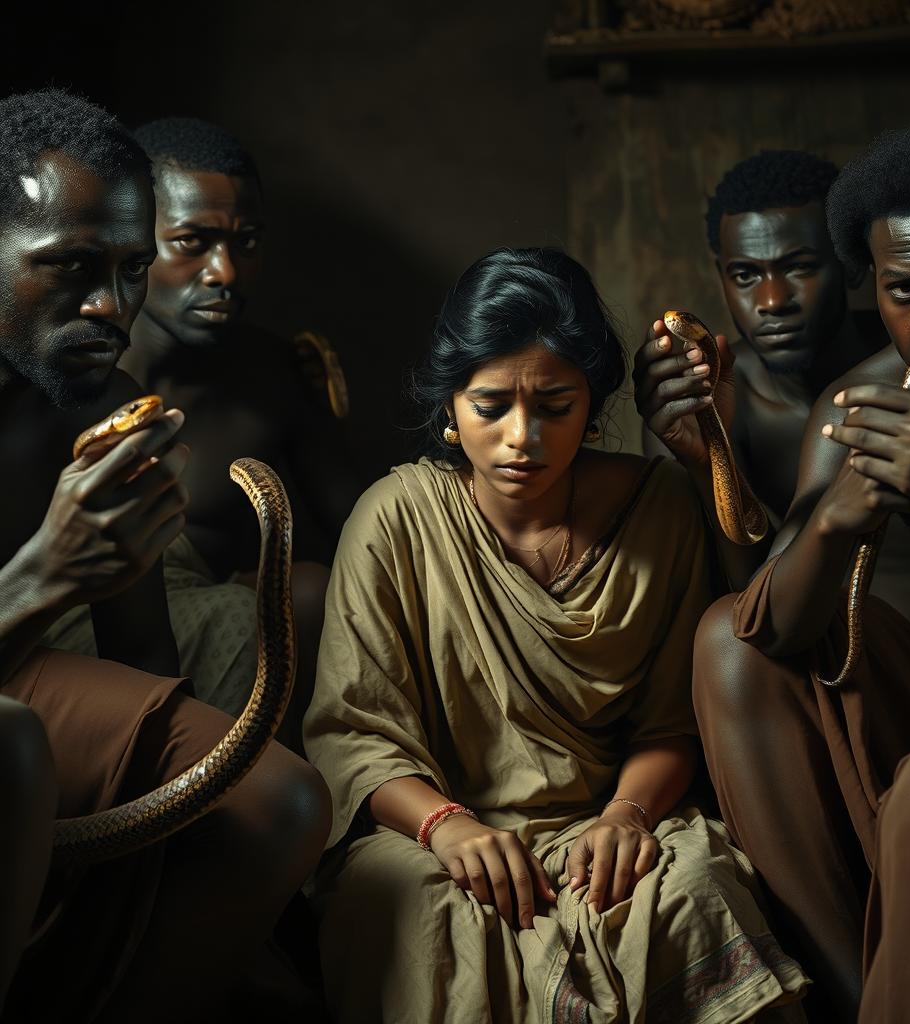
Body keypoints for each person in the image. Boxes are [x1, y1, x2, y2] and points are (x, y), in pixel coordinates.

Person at [304, 248, 809, 1024]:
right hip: (438, 829)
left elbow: (675, 719)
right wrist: (448, 827)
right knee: (408, 913)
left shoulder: (663, 508)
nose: (521, 437)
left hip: (618, 818)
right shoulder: (396, 520)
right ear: (450, 408)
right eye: (491, 405)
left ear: (594, 406)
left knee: (693, 889)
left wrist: (627, 818)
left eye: (554, 406)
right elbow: (353, 735)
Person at [0, 89, 329, 1023]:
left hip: (29, 678)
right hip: (15, 708)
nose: (111, 305)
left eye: (131, 267)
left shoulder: (105, 403)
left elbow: (147, 666)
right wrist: (42, 577)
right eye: (68, 266)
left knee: (282, 804)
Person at [691, 106, 910, 1024]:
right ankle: (849, 988)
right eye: (908, 289)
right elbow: (776, 630)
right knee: (729, 642)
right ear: (868, 286)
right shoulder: (867, 399)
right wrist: (841, 512)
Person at [47, 116, 361, 749]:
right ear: (132, 239)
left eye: (246, 243)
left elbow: (368, 528)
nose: (225, 271)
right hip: (71, 633)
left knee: (312, 593)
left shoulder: (274, 373)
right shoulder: (64, 373)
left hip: (229, 625)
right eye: (193, 241)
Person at [638, 150, 910, 618]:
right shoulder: (702, 404)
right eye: (745, 275)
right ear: (720, 277)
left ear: (852, 265)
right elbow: (751, 602)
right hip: (807, 654)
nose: (773, 301)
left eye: (799, 267)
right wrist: (709, 463)